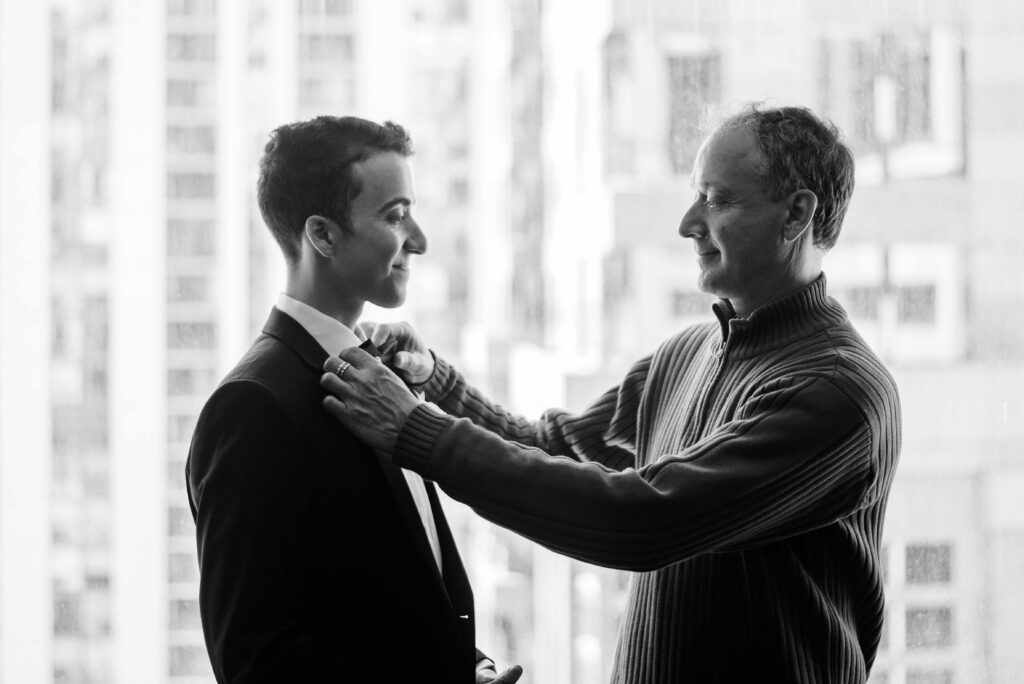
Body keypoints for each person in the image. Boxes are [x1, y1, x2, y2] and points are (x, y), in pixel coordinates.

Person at [320, 104, 902, 683]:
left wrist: (415, 432)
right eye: (696, 194)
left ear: (797, 213)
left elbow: (645, 520)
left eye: (718, 199)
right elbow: (554, 447)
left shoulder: (841, 393)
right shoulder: (686, 353)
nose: (687, 223)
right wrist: (436, 384)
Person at [186, 116, 521, 683]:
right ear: (322, 235)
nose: (419, 239)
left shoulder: (383, 374)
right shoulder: (252, 407)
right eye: (395, 216)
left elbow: (392, 599)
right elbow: (257, 662)